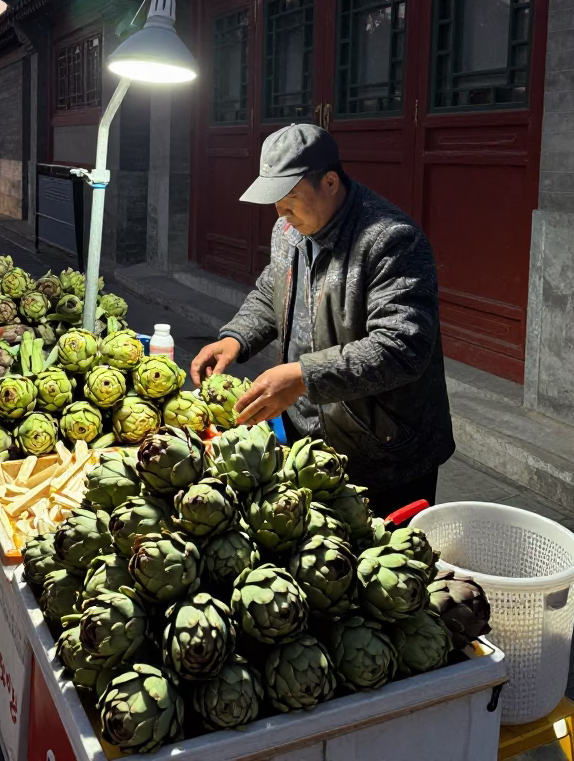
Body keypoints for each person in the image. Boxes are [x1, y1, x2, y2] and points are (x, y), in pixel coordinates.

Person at [190, 123, 455, 518]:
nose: (280, 212)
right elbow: (271, 291)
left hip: (383, 449)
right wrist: (236, 339)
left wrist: (300, 377)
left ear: (330, 182)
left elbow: (402, 348)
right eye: (276, 200)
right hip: (309, 437)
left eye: (291, 197)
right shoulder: (289, 229)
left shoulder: (390, 239)